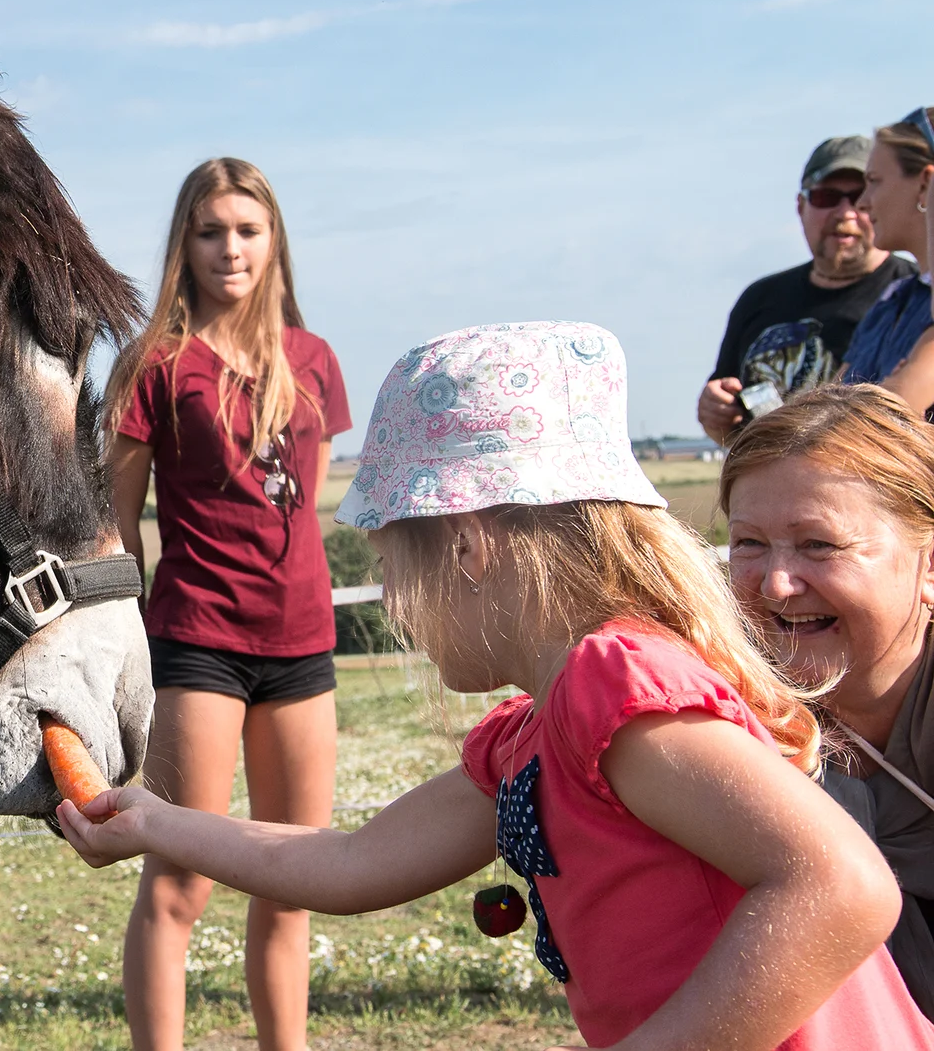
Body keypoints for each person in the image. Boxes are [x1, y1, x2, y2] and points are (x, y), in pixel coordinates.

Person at [69, 322, 934, 1051]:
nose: (398, 604)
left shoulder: (619, 687)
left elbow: (843, 886)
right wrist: (159, 823)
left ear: (470, 547)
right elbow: (347, 862)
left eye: (394, 568)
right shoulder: (543, 733)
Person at [103, 156, 351, 1051]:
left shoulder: (314, 358)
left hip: (303, 645)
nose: (230, 249)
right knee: (181, 884)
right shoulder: (156, 363)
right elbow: (115, 525)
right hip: (197, 640)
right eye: (211, 231)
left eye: (247, 230)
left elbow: (314, 498)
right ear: (185, 242)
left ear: (274, 239)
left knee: (294, 883)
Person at [722, 383, 934, 1017]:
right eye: (749, 544)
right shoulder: (722, 705)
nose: (778, 584)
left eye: (820, 545)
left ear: (929, 567)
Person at [699, 135, 907, 443]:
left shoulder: (912, 297)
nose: (845, 213)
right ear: (801, 206)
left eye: (860, 195)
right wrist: (716, 412)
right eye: (826, 197)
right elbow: (726, 415)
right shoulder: (759, 299)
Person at [844, 108, 934, 412]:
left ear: (925, 185)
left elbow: (875, 426)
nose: (862, 202)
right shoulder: (892, 300)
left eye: (874, 181)